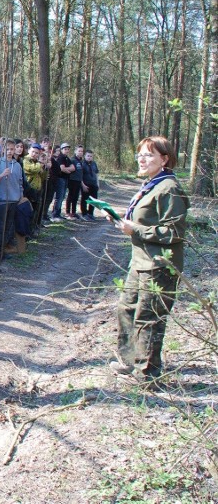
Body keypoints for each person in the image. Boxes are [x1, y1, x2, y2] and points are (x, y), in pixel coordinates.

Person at [109, 136, 189, 383]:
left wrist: (137, 230)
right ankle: (128, 360)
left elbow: (174, 232)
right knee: (126, 309)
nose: (142, 159)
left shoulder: (169, 188)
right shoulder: (152, 185)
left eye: (149, 155)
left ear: (164, 159)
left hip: (159, 266)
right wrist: (120, 218)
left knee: (149, 318)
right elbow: (144, 219)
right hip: (140, 262)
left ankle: (148, 374)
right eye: (140, 154)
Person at [0, 139, 24, 262]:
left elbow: (20, 183)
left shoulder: (17, 165)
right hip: (1, 200)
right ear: (3, 150)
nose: (10, 152)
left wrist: (20, 196)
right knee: (0, 227)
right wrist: (2, 175)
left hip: (14, 199)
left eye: (12, 149)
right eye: (7, 149)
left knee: (8, 227)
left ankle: (2, 250)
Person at [52, 143, 74, 221]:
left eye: (68, 149)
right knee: (59, 197)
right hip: (60, 179)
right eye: (65, 149)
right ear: (61, 150)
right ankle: (55, 214)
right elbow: (62, 168)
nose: (67, 151)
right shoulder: (60, 157)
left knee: (62, 197)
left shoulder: (67, 158)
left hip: (65, 179)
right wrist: (68, 170)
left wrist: (66, 169)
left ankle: (58, 213)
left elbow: (73, 168)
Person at [66, 145, 86, 219]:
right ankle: (68, 212)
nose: (80, 153)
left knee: (76, 197)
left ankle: (73, 212)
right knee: (70, 196)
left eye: (82, 151)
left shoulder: (81, 161)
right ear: (75, 151)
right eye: (79, 151)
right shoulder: (72, 160)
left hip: (78, 181)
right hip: (72, 180)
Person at [82, 150, 100, 220]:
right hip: (86, 184)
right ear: (85, 156)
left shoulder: (94, 163)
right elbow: (80, 176)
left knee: (93, 200)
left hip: (94, 184)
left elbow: (96, 174)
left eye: (91, 156)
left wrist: (98, 183)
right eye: (88, 156)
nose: (89, 157)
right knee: (85, 200)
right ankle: (84, 214)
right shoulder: (82, 164)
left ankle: (90, 213)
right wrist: (83, 185)